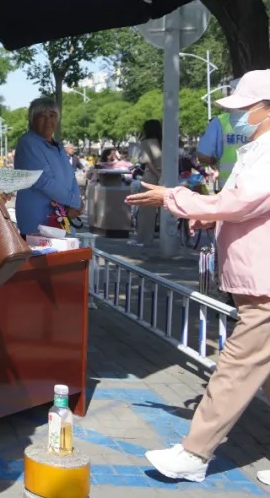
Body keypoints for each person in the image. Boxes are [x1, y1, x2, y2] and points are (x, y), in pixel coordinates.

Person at [126, 70, 270, 487]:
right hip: (255, 279)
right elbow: (240, 205)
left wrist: (174, 197)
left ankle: (194, 453)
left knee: (235, 369)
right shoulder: (257, 148)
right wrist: (208, 215)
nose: (236, 116)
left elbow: (242, 202)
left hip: (262, 284)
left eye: (244, 108)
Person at [13, 97, 82, 235]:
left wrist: (76, 203)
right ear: (32, 119)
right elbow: (43, 181)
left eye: (52, 115)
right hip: (39, 222)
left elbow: (71, 177)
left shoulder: (58, 146)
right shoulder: (28, 143)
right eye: (42, 116)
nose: (48, 120)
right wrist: (75, 202)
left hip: (61, 219)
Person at [197, 80, 246, 192]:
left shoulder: (220, 122)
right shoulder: (265, 120)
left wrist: (214, 161)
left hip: (229, 188)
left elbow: (202, 156)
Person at [129, 119, 163, 247]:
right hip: (167, 176)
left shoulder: (145, 142)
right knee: (165, 209)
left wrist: (158, 175)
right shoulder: (165, 142)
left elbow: (148, 162)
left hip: (151, 176)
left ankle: (143, 239)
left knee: (147, 210)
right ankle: (166, 239)